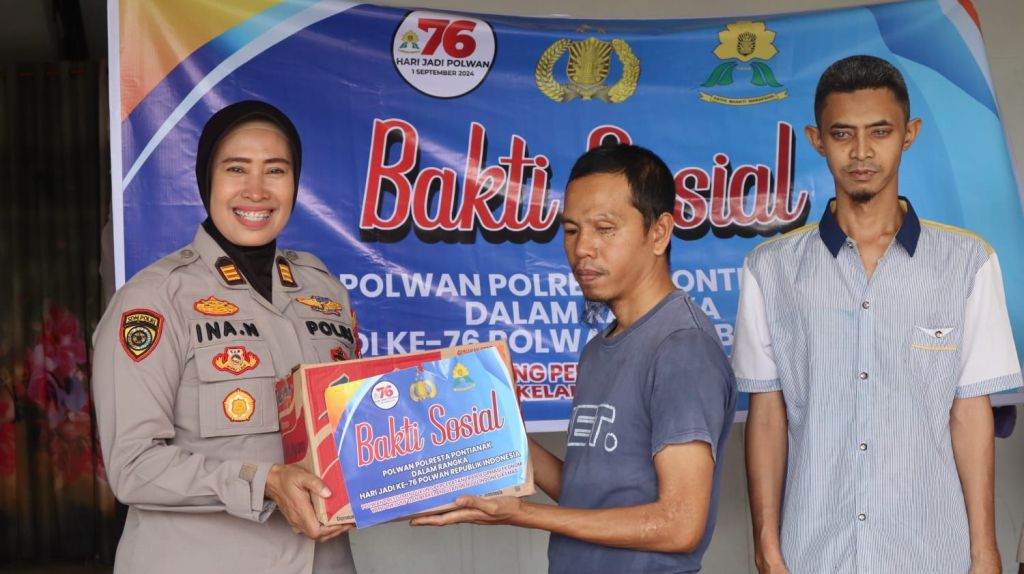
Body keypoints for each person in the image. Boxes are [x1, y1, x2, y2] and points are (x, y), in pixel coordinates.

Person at [733, 55, 1023, 574]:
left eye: (880, 131)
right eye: (842, 133)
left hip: (931, 554)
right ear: (817, 139)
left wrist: (984, 552)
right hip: (812, 554)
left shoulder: (967, 263)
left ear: (909, 134)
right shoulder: (770, 269)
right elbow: (768, 417)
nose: (861, 152)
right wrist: (767, 547)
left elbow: (970, 415)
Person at [413, 144, 737, 574]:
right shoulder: (598, 350)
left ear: (659, 233)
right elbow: (587, 493)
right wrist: (493, 430)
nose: (583, 247)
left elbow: (679, 526)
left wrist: (522, 514)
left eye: (605, 228)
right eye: (571, 230)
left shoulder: (682, 347)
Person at [92, 101, 361, 573]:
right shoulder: (154, 299)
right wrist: (264, 481)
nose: (256, 190)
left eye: (275, 170)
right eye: (236, 169)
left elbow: (348, 428)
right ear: (206, 180)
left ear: (295, 183)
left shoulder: (324, 290)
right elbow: (132, 466)